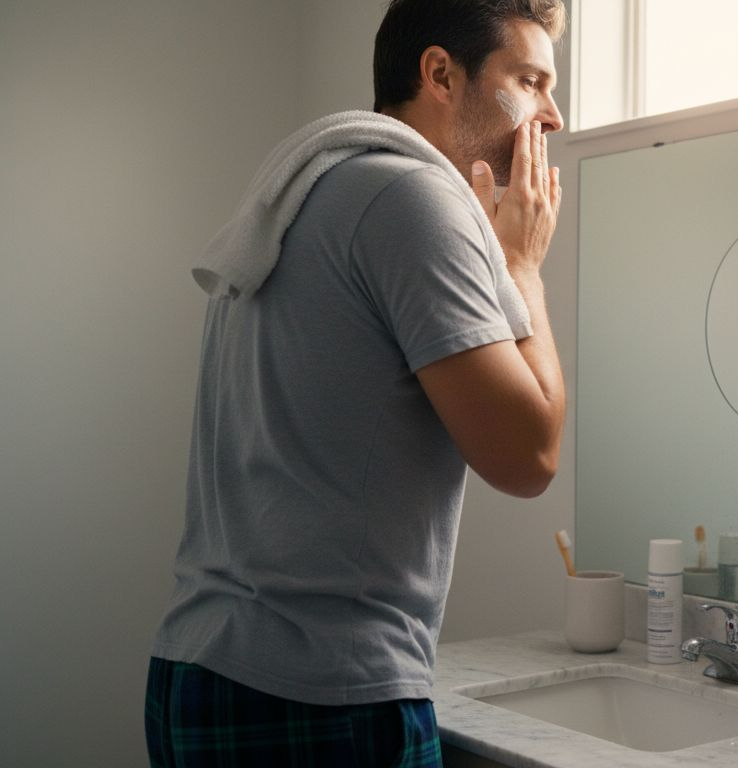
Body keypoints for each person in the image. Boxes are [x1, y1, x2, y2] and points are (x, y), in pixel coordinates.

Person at [145, 1, 567, 764]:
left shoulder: (310, 192)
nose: (554, 115)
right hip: (315, 695)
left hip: (203, 667)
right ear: (440, 73)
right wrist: (523, 269)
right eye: (531, 81)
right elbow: (529, 454)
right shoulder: (410, 198)